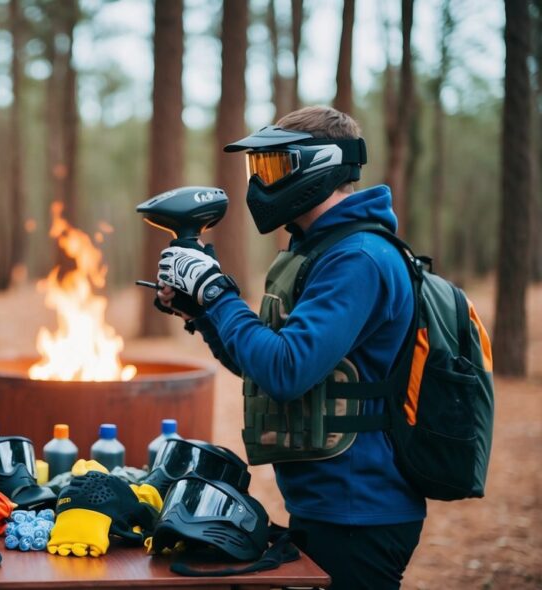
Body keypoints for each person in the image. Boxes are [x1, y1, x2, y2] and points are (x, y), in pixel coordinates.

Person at [153, 106, 424, 589]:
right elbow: (261, 364)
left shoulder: (357, 258)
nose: (260, 184)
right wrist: (204, 314)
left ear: (317, 166)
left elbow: (285, 371)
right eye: (256, 168)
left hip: (360, 510)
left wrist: (217, 293)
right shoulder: (320, 250)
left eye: (273, 167)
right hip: (329, 502)